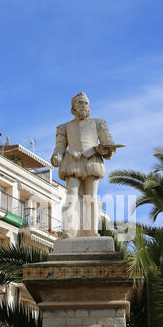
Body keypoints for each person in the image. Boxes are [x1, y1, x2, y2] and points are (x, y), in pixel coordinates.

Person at [51, 92, 116, 237]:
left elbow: (108, 143)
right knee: (71, 196)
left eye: (86, 103)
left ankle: (91, 230)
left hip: (91, 159)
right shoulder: (64, 127)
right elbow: (60, 146)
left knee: (91, 197)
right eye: (80, 103)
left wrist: (105, 150)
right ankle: (69, 230)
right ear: (74, 106)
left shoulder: (98, 123)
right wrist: (57, 156)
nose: (84, 106)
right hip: (72, 161)